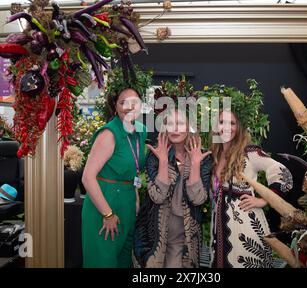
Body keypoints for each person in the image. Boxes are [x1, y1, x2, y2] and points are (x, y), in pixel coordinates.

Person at [211, 109, 293, 268]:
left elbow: (283, 172)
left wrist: (264, 200)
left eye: (232, 123)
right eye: (222, 122)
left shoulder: (250, 153)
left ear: (239, 127)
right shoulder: (214, 154)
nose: (227, 127)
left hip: (246, 228)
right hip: (219, 231)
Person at [134, 109, 212, 268]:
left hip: (184, 239)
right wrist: (163, 161)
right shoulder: (155, 155)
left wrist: (195, 165)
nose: (175, 128)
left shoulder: (202, 157)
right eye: (170, 124)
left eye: (180, 123)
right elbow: (157, 196)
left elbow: (198, 199)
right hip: (153, 236)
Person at [81, 87, 147, 268]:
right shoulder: (108, 134)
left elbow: (134, 169)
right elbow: (87, 178)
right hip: (104, 203)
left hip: (127, 202)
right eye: (123, 102)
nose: (129, 107)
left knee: (124, 261)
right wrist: (107, 214)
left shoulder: (140, 132)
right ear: (115, 106)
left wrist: (135, 197)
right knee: (103, 261)